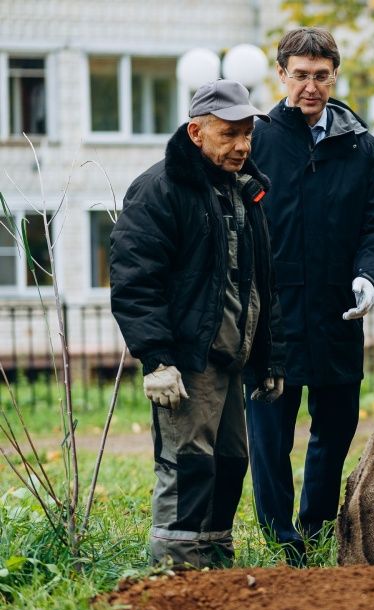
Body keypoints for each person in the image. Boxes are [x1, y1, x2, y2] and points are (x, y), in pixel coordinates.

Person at [110, 79, 286, 569]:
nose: (243, 145)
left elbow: (261, 284)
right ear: (196, 132)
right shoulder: (160, 189)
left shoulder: (242, 191)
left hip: (233, 358)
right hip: (187, 362)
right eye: (230, 134)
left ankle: (214, 564)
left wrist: (269, 357)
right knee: (187, 464)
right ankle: (177, 570)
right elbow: (134, 280)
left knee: (230, 462)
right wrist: (157, 359)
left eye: (248, 134)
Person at [247, 27, 374, 563]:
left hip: (339, 312)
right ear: (281, 75)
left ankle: (314, 527)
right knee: (270, 434)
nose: (312, 87)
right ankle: (278, 535)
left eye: (322, 76)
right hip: (273, 317)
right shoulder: (255, 140)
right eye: (301, 76)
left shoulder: (360, 145)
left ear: (335, 75)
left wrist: (369, 276)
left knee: (334, 429)